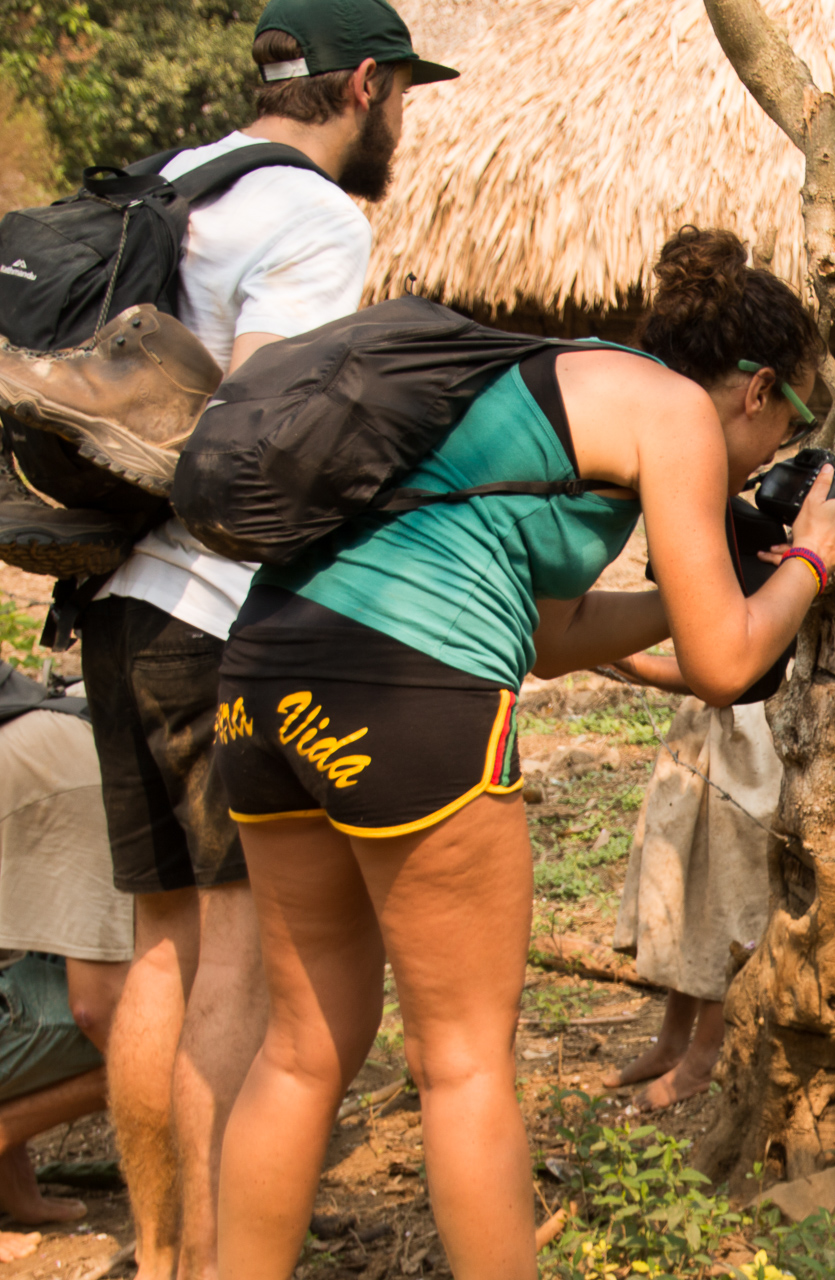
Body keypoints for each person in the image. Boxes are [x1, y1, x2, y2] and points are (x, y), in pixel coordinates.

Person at [208, 227, 835, 1279]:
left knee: (303, 1047)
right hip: (405, 694)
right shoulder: (675, 416)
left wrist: (716, 589)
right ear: (756, 390)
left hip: (264, 678)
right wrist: (809, 560)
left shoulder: (553, 378)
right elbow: (722, 661)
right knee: (465, 1061)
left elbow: (554, 633)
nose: (775, 456)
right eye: (792, 426)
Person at [59, 4, 455, 1276]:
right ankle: (218, 1262)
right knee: (235, 948)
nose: (401, 119)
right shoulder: (320, 218)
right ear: (360, 84)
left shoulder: (173, 180)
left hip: (113, 592)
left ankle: (168, 1246)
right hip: (214, 608)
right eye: (400, 92)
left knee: (162, 938)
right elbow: (261, 420)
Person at [607, 498, 793, 1107]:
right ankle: (672, 1040)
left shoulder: (760, 570)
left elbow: (725, 669)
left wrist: (635, 663)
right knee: (693, 894)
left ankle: (705, 1054)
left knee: (729, 908)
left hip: (753, 752)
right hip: (708, 740)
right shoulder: (722, 547)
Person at [0, 665, 133, 1261]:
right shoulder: (81, 771)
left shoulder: (40, 724)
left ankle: (13, 1188)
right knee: (169, 1031)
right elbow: (98, 1011)